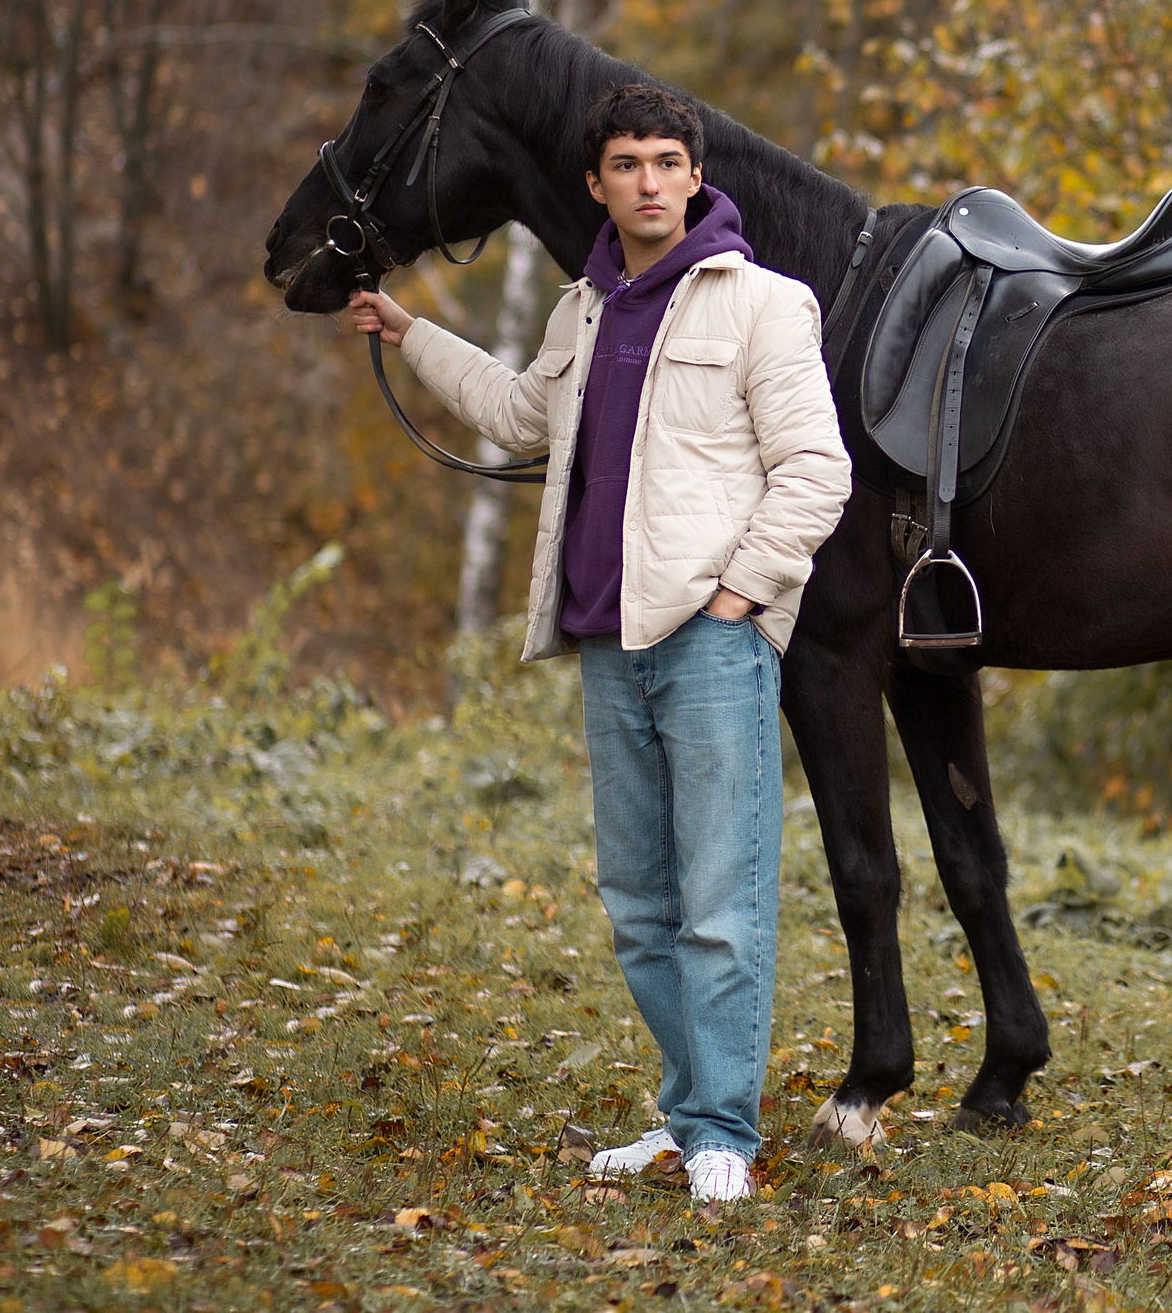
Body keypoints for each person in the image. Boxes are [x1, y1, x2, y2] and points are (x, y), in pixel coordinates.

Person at [347, 80, 850, 1204]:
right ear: (597, 182)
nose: (649, 182)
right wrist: (412, 331)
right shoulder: (585, 307)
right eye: (627, 164)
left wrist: (739, 598)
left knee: (721, 905)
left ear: (696, 175)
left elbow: (819, 471)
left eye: (668, 161)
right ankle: (685, 1118)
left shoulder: (766, 306)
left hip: (711, 643)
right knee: (639, 906)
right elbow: (525, 416)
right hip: (608, 644)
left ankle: (724, 1129)